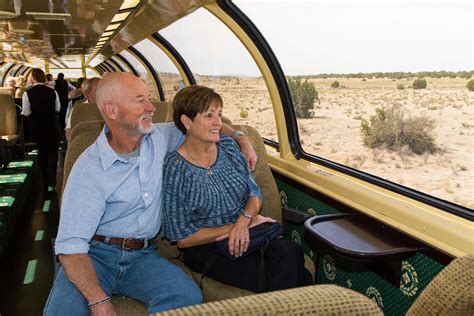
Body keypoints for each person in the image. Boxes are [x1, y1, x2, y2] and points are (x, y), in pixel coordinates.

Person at [44, 73, 257, 315]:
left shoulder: (160, 136)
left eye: (149, 99)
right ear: (112, 110)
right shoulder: (89, 168)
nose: (151, 108)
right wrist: (98, 301)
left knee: (185, 297)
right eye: (140, 101)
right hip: (96, 256)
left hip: (142, 256)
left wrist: (241, 138)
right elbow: (71, 247)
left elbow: (206, 124)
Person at [162, 85, 312, 293]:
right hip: (207, 247)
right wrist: (236, 228)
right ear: (187, 122)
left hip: (248, 233)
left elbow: (254, 193)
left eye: (220, 114)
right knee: (287, 272)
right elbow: (183, 238)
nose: (218, 123)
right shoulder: (175, 167)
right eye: (209, 116)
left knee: (289, 250)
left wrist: (244, 220)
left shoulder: (229, 148)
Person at [21, 69, 60, 191]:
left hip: (37, 127)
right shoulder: (52, 92)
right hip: (51, 126)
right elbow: (58, 108)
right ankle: (52, 172)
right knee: (53, 150)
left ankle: (44, 178)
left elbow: (26, 112)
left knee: (42, 151)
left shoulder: (27, 93)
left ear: (32, 78)